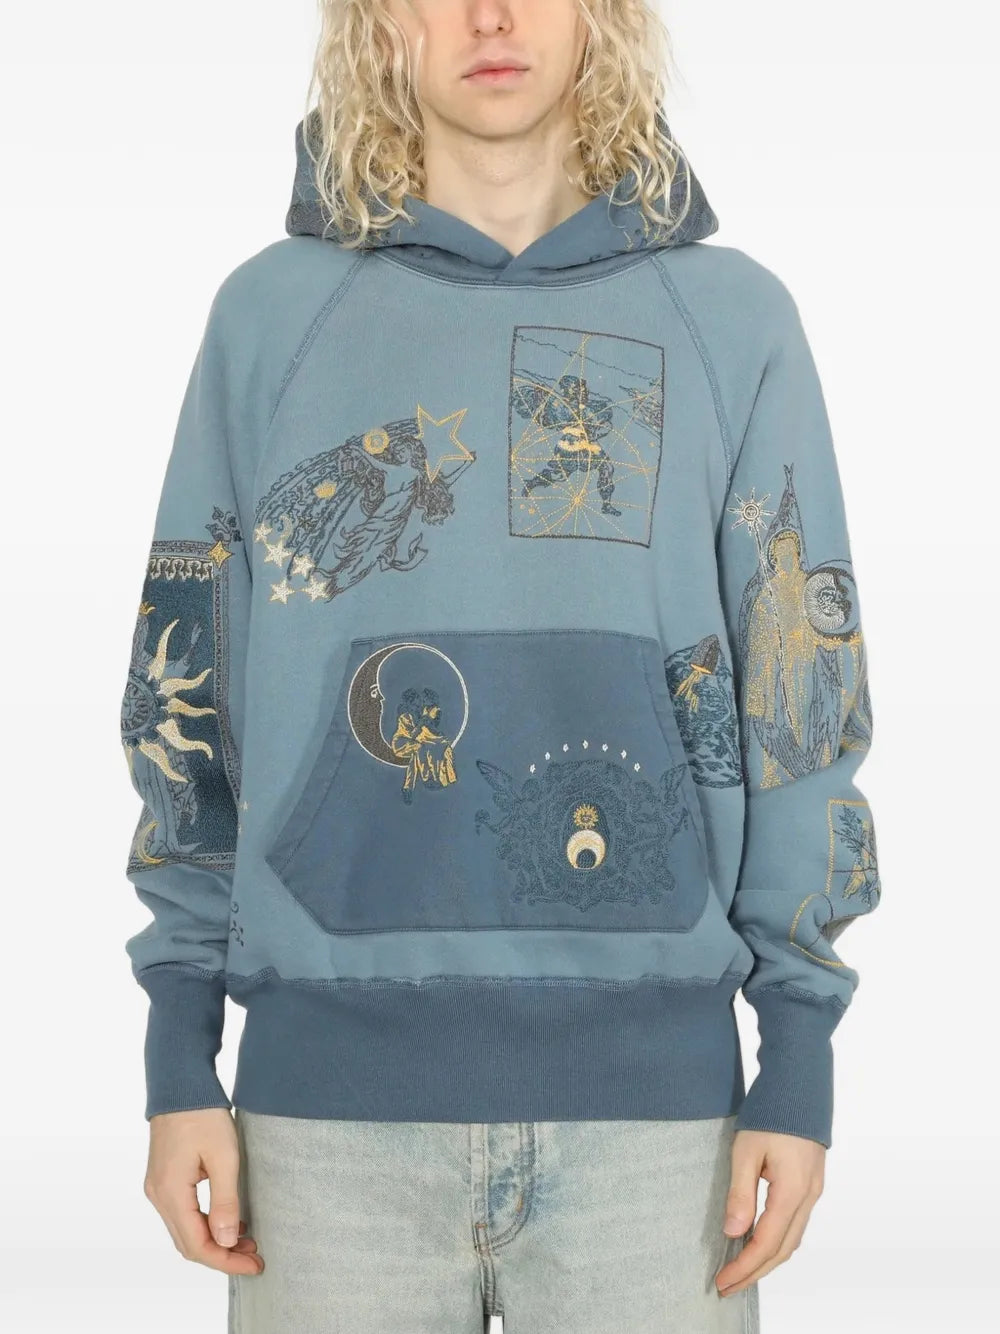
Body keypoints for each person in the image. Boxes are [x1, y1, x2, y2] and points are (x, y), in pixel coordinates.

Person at [119, 2, 882, 1330]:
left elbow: (802, 704)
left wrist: (800, 1053)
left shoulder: (731, 321)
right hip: (324, 1124)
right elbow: (187, 688)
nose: (492, 14)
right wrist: (180, 1051)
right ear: (380, 23)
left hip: (660, 1131)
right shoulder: (273, 316)